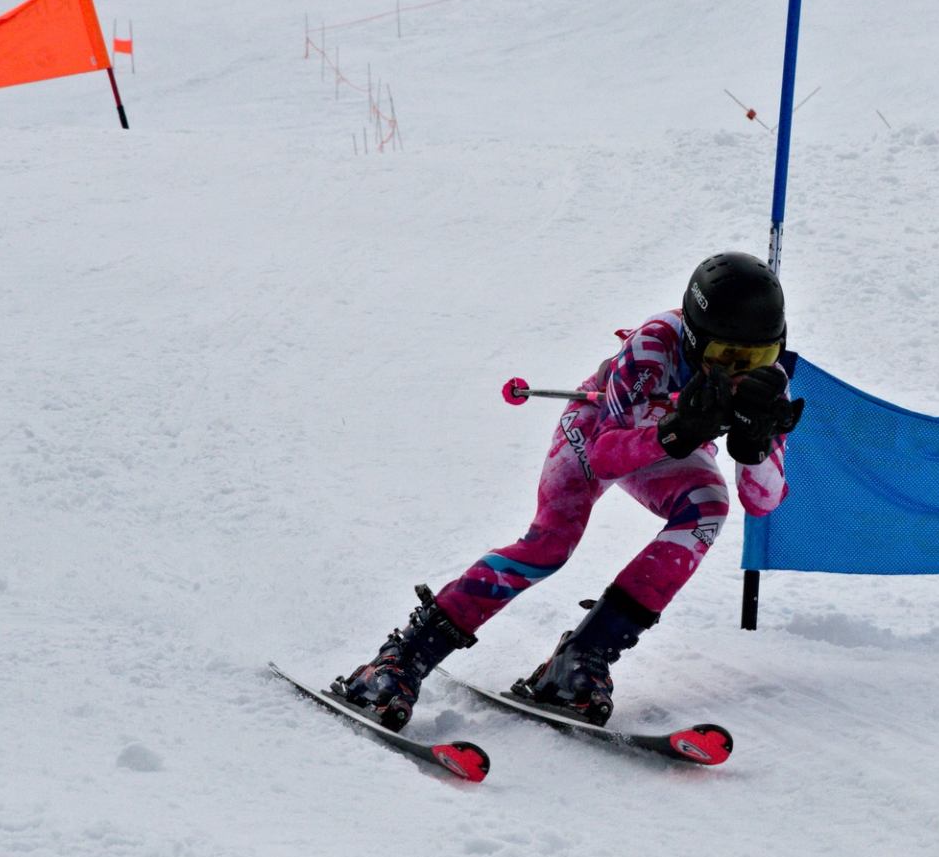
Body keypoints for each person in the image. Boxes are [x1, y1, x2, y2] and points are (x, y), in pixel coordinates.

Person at [333, 253, 804, 730]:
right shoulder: (654, 343)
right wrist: (675, 431)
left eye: (759, 358)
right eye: (726, 357)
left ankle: (582, 657)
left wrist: (755, 445)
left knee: (708, 507)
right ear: (694, 337)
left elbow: (761, 503)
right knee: (550, 545)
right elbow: (604, 455)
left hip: (668, 444)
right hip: (599, 430)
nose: (742, 371)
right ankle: (402, 658)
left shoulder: (769, 388)